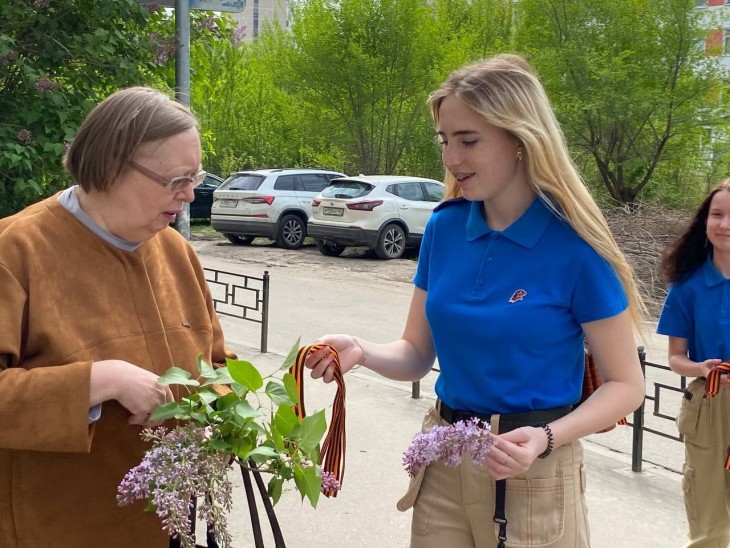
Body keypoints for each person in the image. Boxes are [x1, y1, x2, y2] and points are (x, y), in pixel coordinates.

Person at [304, 54, 646, 547]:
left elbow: (625, 385)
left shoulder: (576, 248)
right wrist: (362, 349)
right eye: (446, 140)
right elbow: (417, 355)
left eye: (469, 140)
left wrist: (547, 439)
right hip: (443, 460)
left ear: (521, 138)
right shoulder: (444, 228)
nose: (450, 159)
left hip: (535, 470)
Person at [0, 87, 232, 547]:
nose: (190, 195)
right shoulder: (16, 249)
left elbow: (217, 364)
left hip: (171, 528)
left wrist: (233, 415)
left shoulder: (176, 251)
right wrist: (99, 380)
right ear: (110, 167)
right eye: (175, 180)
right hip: (56, 529)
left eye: (196, 176)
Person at [657, 180, 730, 548]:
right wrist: (701, 369)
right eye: (717, 214)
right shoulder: (687, 285)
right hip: (710, 402)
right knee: (708, 512)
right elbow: (674, 358)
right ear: (705, 221)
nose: (725, 224)